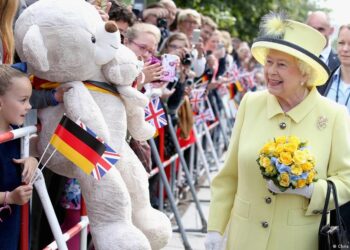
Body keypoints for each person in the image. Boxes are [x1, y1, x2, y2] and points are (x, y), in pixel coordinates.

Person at [205, 12, 350, 250]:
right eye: (269, 62)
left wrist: (311, 190)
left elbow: (346, 181)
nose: (271, 71)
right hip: (244, 239)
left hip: (299, 241)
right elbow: (228, 176)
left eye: (281, 65)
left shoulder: (334, 115)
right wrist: (215, 228)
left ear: (305, 73)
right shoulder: (251, 103)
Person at [0, 64, 38, 250]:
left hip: (13, 228)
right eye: (23, 100)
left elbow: (29, 154)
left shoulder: (18, 134)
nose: (29, 106)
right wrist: (9, 197)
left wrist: (31, 160)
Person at [321, 23, 350, 239]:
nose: (345, 49)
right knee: (327, 235)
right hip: (324, 171)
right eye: (341, 42)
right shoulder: (324, 80)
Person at [306, 11, 340, 95]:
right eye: (313, 29)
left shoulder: (341, 63)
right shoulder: (296, 58)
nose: (317, 34)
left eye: (321, 29)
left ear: (331, 31)